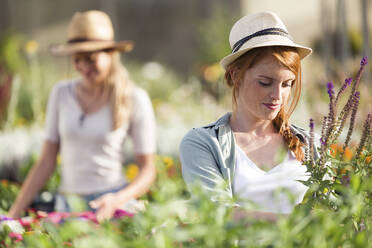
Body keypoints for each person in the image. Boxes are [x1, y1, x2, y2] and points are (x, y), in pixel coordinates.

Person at [9, 10, 156, 221]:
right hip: (68, 205)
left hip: (112, 204)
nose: (83, 67)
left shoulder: (134, 98)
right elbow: (46, 161)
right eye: (77, 60)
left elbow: (148, 169)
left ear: (111, 54)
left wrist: (117, 199)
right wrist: (14, 213)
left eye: (91, 59)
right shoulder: (61, 93)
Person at [180, 11, 319, 220]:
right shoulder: (204, 143)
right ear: (236, 75)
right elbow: (217, 215)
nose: (277, 96)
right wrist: (295, 221)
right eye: (265, 82)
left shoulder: (310, 143)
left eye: (287, 84)